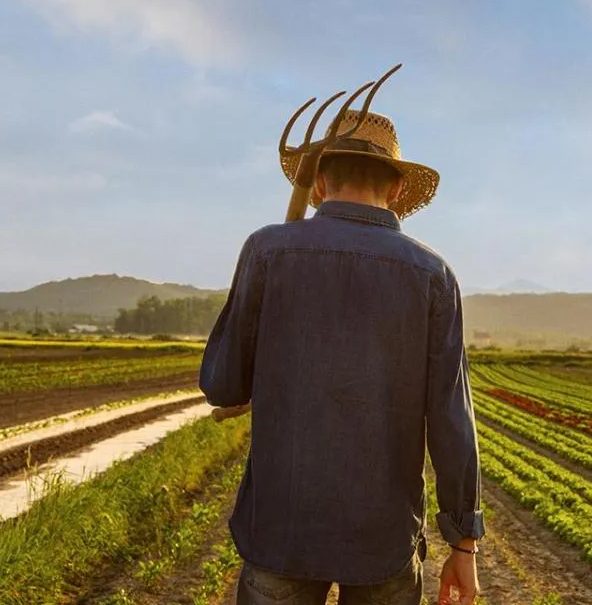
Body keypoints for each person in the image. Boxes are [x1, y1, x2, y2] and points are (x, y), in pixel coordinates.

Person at [199, 108, 484, 605]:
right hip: (384, 537)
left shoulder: (267, 250)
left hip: (281, 528)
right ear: (396, 190)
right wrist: (464, 542)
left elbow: (223, 385)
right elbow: (450, 421)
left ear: (320, 184)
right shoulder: (434, 275)